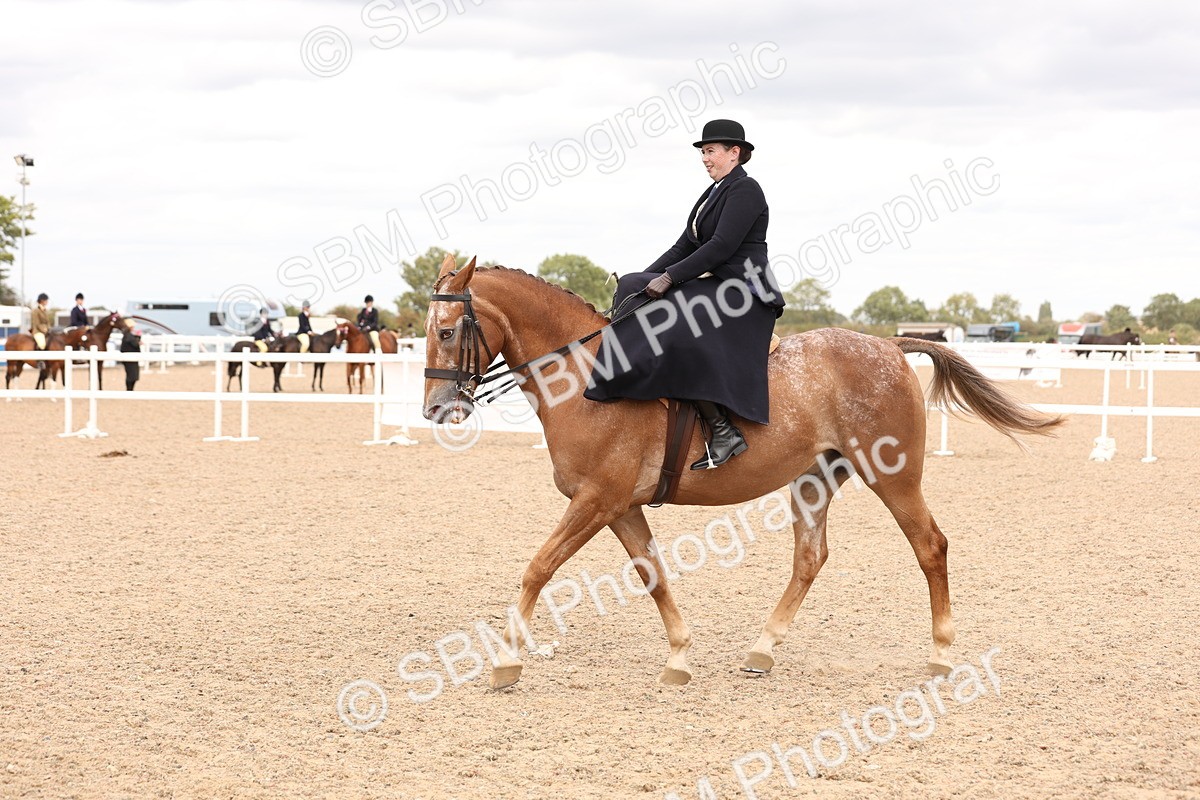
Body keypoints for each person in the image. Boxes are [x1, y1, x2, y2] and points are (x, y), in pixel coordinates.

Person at [584, 119, 784, 470]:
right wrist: (642, 281)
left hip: (743, 292)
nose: (704, 158)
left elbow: (721, 247)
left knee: (678, 323)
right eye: (703, 152)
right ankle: (622, 380)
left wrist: (670, 278)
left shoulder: (746, 190)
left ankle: (723, 430)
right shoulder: (713, 193)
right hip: (718, 285)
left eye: (710, 151)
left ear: (734, 153)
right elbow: (683, 247)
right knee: (631, 285)